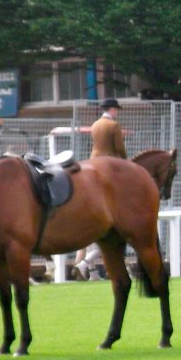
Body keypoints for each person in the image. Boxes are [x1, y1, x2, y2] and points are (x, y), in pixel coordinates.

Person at [74, 98, 128, 280]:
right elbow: (120, 148)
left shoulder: (95, 124)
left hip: (93, 161)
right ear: (112, 109)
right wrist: (128, 166)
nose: (117, 112)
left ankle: (93, 272)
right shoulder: (113, 125)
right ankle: (87, 263)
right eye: (116, 109)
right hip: (108, 164)